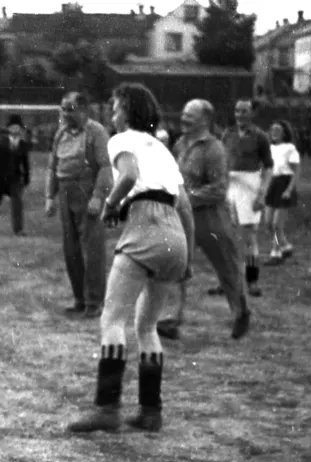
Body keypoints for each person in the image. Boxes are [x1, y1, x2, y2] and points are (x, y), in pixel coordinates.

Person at [67, 83, 193, 435]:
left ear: (129, 112)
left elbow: (129, 176)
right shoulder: (164, 151)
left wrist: (110, 207)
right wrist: (189, 257)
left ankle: (107, 409)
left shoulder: (121, 140)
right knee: (147, 326)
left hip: (146, 227)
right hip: (175, 237)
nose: (112, 112)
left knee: (111, 318)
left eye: (117, 106)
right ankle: (151, 412)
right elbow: (185, 207)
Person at [159, 98, 251, 341]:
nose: (184, 119)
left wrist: (188, 197)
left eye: (191, 116)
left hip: (213, 219)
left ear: (206, 121)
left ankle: (241, 312)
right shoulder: (180, 144)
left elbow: (219, 189)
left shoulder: (214, 149)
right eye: (184, 114)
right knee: (179, 265)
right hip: (185, 218)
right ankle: (173, 318)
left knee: (227, 269)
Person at [45, 92, 113, 318]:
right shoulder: (61, 133)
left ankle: (95, 302)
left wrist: (98, 196)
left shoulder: (96, 132)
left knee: (92, 249)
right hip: (65, 191)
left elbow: (104, 167)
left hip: (87, 191)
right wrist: (49, 196)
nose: (65, 114)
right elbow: (52, 166)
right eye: (63, 109)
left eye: (70, 109)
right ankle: (79, 299)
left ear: (84, 109)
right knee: (71, 248)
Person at [221, 99, 273, 297]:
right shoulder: (228, 134)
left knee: (250, 236)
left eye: (244, 111)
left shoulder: (260, 136)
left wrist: (262, 193)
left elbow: (268, 167)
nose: (240, 114)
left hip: (250, 184)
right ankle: (227, 281)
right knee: (227, 234)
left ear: (251, 114)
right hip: (229, 185)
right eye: (237, 111)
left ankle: (252, 281)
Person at [0, 114, 31, 236]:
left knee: (17, 203)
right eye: (12, 127)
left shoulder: (23, 145)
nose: (15, 130)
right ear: (8, 129)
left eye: (17, 127)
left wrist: (26, 178)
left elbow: (25, 164)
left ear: (20, 129)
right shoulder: (1, 143)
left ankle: (18, 229)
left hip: (15, 178)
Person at [264, 120, 301, 265]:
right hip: (272, 184)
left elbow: (296, 171)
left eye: (278, 130)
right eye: (272, 129)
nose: (274, 132)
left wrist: (289, 190)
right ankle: (286, 246)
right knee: (267, 223)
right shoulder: (269, 148)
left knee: (277, 224)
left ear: (284, 133)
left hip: (284, 184)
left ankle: (276, 253)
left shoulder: (290, 148)